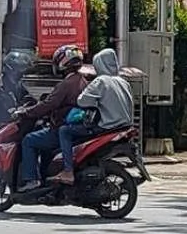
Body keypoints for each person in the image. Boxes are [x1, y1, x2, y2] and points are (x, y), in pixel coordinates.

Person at [50, 47, 135, 185]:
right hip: (123, 127)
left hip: (105, 126)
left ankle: (68, 171)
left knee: (64, 131)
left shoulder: (100, 81)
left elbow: (82, 101)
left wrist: (94, 102)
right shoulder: (123, 82)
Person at [18, 44, 89, 191]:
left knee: (28, 140)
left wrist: (27, 112)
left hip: (61, 128)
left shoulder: (66, 84)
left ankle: (32, 180)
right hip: (77, 127)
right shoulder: (83, 81)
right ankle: (46, 176)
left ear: (63, 62)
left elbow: (49, 104)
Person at [0, 49, 37, 130]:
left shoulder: (17, 84)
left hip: (16, 124)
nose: (21, 75)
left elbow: (27, 97)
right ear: (11, 70)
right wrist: (22, 110)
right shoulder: (2, 88)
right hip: (5, 127)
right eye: (19, 72)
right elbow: (12, 110)